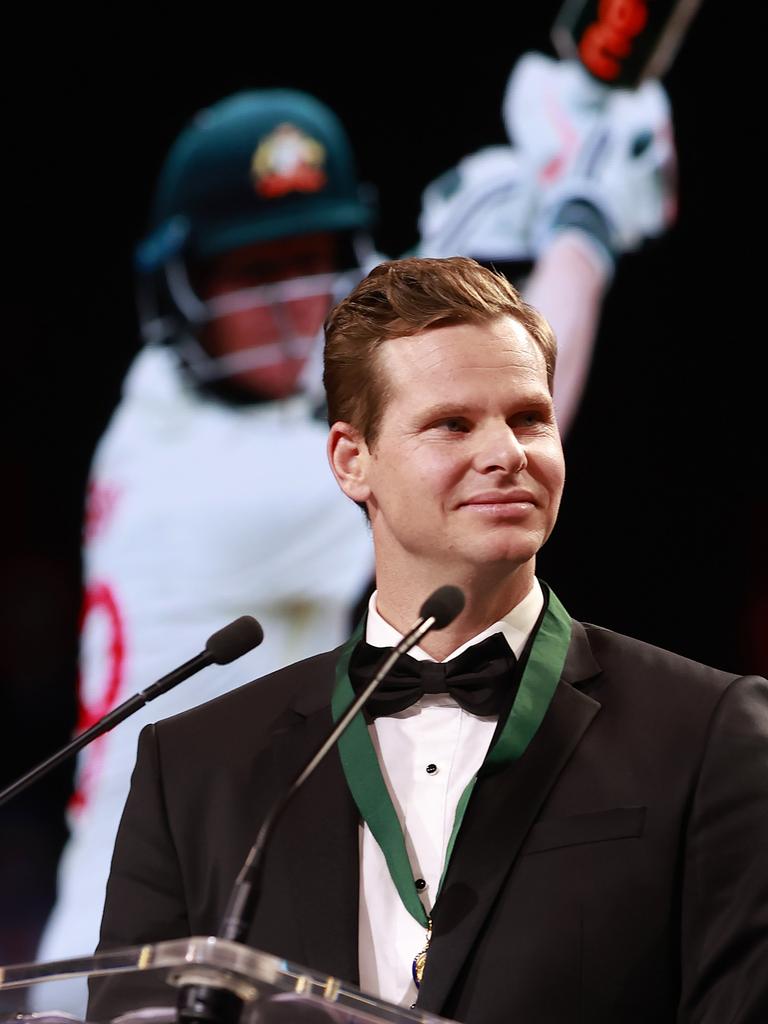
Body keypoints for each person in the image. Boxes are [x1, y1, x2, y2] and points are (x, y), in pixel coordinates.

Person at [37, 49, 677, 1003]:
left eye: (310, 265)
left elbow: (378, 387)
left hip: (206, 944)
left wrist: (448, 257)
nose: (291, 307)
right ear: (181, 289)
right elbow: (497, 421)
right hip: (145, 965)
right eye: (253, 272)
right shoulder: (201, 487)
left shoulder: (160, 398)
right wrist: (578, 231)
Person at [90, 257, 768, 1024]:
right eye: (453, 423)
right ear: (353, 461)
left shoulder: (709, 732)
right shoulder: (195, 771)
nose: (508, 453)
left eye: (528, 418)